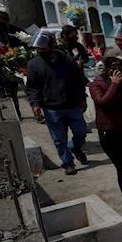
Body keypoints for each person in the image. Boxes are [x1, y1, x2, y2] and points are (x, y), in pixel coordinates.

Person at [25, 33, 89, 175]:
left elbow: (77, 79)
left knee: (81, 132)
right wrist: (35, 104)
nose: (40, 51)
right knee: (59, 139)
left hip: (72, 104)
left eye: (43, 48)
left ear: (52, 45)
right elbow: (32, 87)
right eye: (38, 49)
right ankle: (68, 163)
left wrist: (82, 97)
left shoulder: (66, 59)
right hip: (51, 108)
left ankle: (75, 147)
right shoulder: (34, 64)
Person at [89, 47, 122, 197]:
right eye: (113, 66)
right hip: (110, 132)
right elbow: (103, 102)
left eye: (120, 66)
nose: (117, 69)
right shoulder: (97, 84)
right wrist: (114, 84)